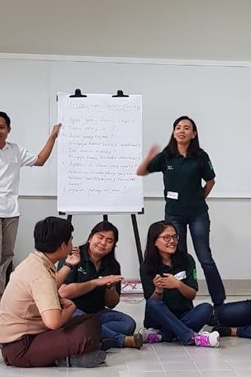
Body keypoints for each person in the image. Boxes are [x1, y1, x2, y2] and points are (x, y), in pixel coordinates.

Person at [0, 110, 61, 315]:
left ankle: (1, 294)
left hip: (11, 210)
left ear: (8, 129)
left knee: (7, 254)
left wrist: (52, 138)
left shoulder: (14, 150)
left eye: (1, 127)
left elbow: (40, 160)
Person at [0, 216, 106, 368]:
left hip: (34, 335)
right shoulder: (40, 275)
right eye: (70, 240)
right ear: (62, 245)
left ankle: (70, 353)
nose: (72, 245)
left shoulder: (34, 262)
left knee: (91, 320)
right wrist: (71, 307)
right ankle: (66, 359)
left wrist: (68, 265)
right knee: (84, 335)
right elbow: (53, 322)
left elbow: (50, 285)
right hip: (21, 348)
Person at [137, 115, 225, 308]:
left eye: (186, 128)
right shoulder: (166, 155)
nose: (182, 131)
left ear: (193, 134)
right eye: (178, 127)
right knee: (179, 258)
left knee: (205, 258)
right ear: (173, 132)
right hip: (174, 215)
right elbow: (141, 171)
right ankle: (182, 303)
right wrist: (149, 156)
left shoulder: (201, 156)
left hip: (197, 214)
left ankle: (219, 302)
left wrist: (199, 197)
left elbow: (210, 181)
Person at [57, 220, 142, 350]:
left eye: (109, 241)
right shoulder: (73, 256)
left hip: (97, 313)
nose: (103, 243)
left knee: (128, 324)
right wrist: (96, 282)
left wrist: (110, 288)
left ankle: (95, 336)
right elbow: (63, 292)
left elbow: (112, 304)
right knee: (82, 322)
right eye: (100, 237)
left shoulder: (113, 265)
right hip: (72, 311)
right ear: (90, 238)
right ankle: (122, 340)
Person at [140, 220, 219, 347]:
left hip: (184, 314)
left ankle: (163, 335)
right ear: (154, 241)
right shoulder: (147, 266)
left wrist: (177, 284)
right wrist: (159, 290)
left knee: (206, 308)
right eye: (166, 237)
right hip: (159, 318)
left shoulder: (186, 259)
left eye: (174, 237)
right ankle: (192, 337)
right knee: (153, 304)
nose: (172, 241)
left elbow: (192, 294)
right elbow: (151, 302)